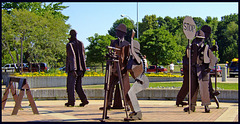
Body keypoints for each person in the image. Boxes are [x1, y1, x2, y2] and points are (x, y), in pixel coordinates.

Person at [183, 30, 217, 113]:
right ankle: (191, 105)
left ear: (203, 40)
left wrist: (209, 68)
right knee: (192, 88)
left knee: (204, 89)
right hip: (194, 70)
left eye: (200, 39)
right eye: (197, 38)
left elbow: (214, 59)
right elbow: (187, 58)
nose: (198, 41)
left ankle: (206, 105)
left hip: (203, 71)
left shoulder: (206, 48)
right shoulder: (191, 47)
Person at [99, 23, 131, 110]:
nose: (116, 33)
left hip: (123, 69)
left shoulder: (127, 44)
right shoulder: (113, 42)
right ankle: (107, 104)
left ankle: (127, 105)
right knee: (109, 86)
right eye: (116, 31)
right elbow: (111, 53)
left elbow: (128, 57)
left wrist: (126, 68)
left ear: (123, 33)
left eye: (118, 31)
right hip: (114, 68)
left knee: (125, 87)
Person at [65, 29, 89, 107]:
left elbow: (72, 57)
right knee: (78, 86)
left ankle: (71, 101)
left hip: (73, 69)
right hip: (80, 69)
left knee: (70, 86)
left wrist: (73, 69)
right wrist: (84, 69)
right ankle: (84, 100)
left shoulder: (69, 45)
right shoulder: (80, 43)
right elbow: (83, 57)